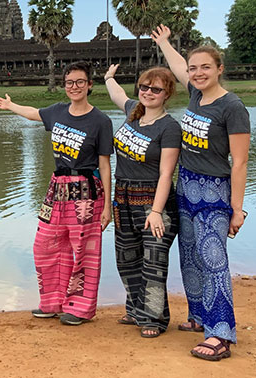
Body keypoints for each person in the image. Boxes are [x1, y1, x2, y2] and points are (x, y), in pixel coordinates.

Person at [152, 24, 250, 361]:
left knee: (213, 259)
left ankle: (220, 333)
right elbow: (179, 66)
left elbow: (239, 163)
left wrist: (237, 209)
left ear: (220, 69)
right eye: (194, 68)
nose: (197, 73)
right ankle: (199, 316)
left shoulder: (232, 107)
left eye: (205, 67)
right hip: (187, 188)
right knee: (191, 257)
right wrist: (165, 42)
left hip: (214, 193)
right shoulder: (196, 94)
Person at [0, 61, 113, 326]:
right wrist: (11, 106)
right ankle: (52, 302)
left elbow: (104, 164)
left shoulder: (100, 121)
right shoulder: (58, 112)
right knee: (45, 245)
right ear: (65, 85)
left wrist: (107, 207)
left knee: (84, 250)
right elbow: (34, 113)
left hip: (87, 191)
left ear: (90, 85)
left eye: (80, 82)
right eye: (70, 82)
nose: (75, 87)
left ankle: (79, 308)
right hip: (57, 188)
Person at [104, 64, 181, 338]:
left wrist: (157, 211)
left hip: (154, 202)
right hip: (124, 199)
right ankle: (136, 308)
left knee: (153, 263)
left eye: (156, 89)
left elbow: (166, 173)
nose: (148, 92)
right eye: (144, 87)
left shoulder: (169, 128)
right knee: (126, 260)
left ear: (167, 94)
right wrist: (109, 77)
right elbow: (116, 95)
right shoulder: (133, 114)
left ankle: (154, 318)